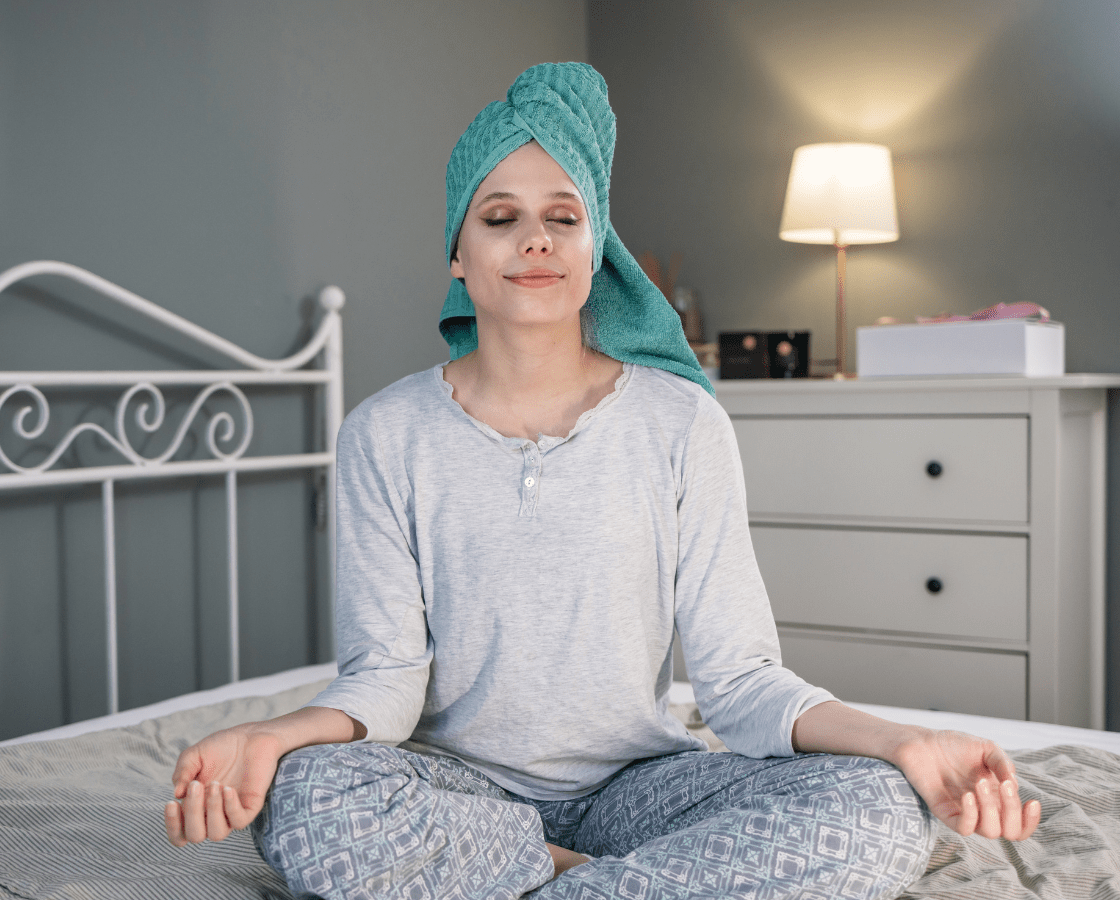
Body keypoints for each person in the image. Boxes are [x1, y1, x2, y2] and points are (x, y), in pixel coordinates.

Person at [164, 62, 1040, 899]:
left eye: (564, 217)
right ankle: (582, 877)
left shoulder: (682, 424)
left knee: (883, 809)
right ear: (457, 254)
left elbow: (740, 683)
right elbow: (385, 678)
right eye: (500, 217)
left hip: (642, 791)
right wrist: (275, 735)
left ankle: (550, 882)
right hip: (452, 790)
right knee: (304, 794)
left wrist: (908, 742)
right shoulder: (384, 435)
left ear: (595, 251)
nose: (535, 239)